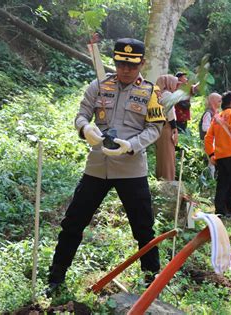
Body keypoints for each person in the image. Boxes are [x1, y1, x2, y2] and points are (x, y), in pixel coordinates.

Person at [47, 38, 165, 293]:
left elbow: (156, 128)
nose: (125, 69)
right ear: (114, 61)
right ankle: (55, 279)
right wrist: (85, 128)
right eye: (121, 63)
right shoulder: (98, 86)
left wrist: (131, 144)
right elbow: (80, 115)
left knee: (143, 227)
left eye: (132, 65)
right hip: (97, 167)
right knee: (73, 223)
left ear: (141, 64)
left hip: (132, 169)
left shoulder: (150, 92)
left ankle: (152, 282)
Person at [204, 91, 231, 217]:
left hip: (220, 156)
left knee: (223, 184)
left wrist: (211, 154)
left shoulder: (218, 117)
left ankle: (221, 211)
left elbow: (208, 138)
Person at [155, 74, 179, 181]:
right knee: (168, 155)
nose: (176, 86)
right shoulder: (167, 94)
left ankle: (161, 178)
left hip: (159, 127)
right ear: (169, 83)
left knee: (161, 155)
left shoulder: (158, 95)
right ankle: (168, 180)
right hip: (167, 127)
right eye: (174, 83)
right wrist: (174, 128)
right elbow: (170, 113)